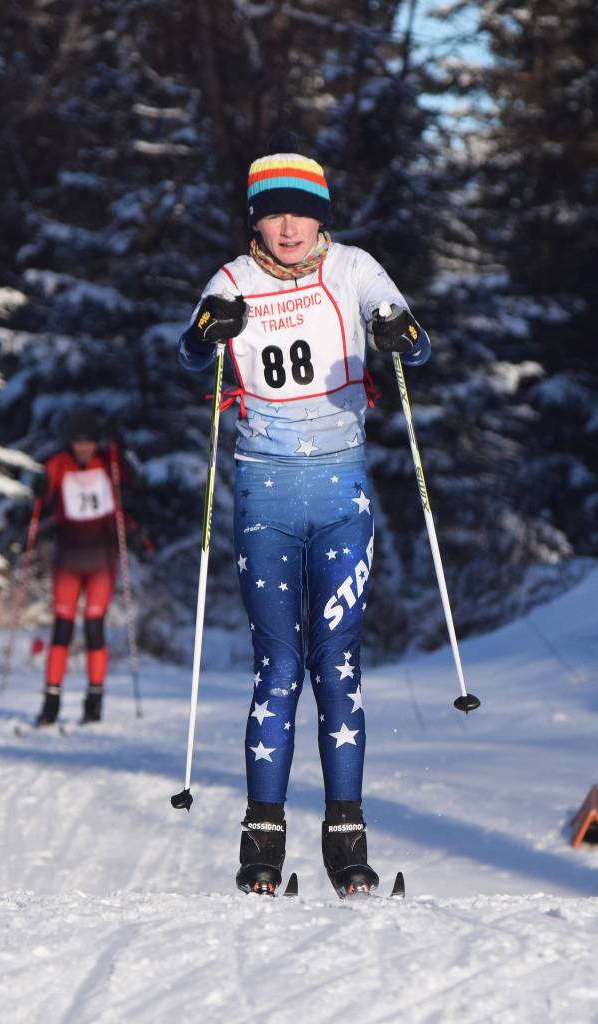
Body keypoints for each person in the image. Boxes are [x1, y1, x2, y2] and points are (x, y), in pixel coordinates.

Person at [178, 138, 431, 898]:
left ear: (322, 218)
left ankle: (346, 841)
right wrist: (205, 332)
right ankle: (262, 841)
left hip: (341, 489)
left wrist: (399, 335)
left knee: (338, 662)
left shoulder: (352, 269)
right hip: (265, 493)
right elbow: (190, 355)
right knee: (278, 665)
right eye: (273, 215)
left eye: (303, 214)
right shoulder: (231, 280)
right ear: (254, 222)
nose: (288, 229)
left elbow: (414, 344)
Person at [31, 409, 135, 727]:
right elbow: (42, 489)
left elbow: (134, 477)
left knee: (94, 627)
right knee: (62, 627)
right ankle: (51, 702)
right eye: (78, 443)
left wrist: (123, 447)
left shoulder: (109, 462)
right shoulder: (59, 463)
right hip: (69, 558)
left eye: (89, 442)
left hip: (101, 559)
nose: (84, 449)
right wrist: (38, 485)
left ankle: (94, 701)